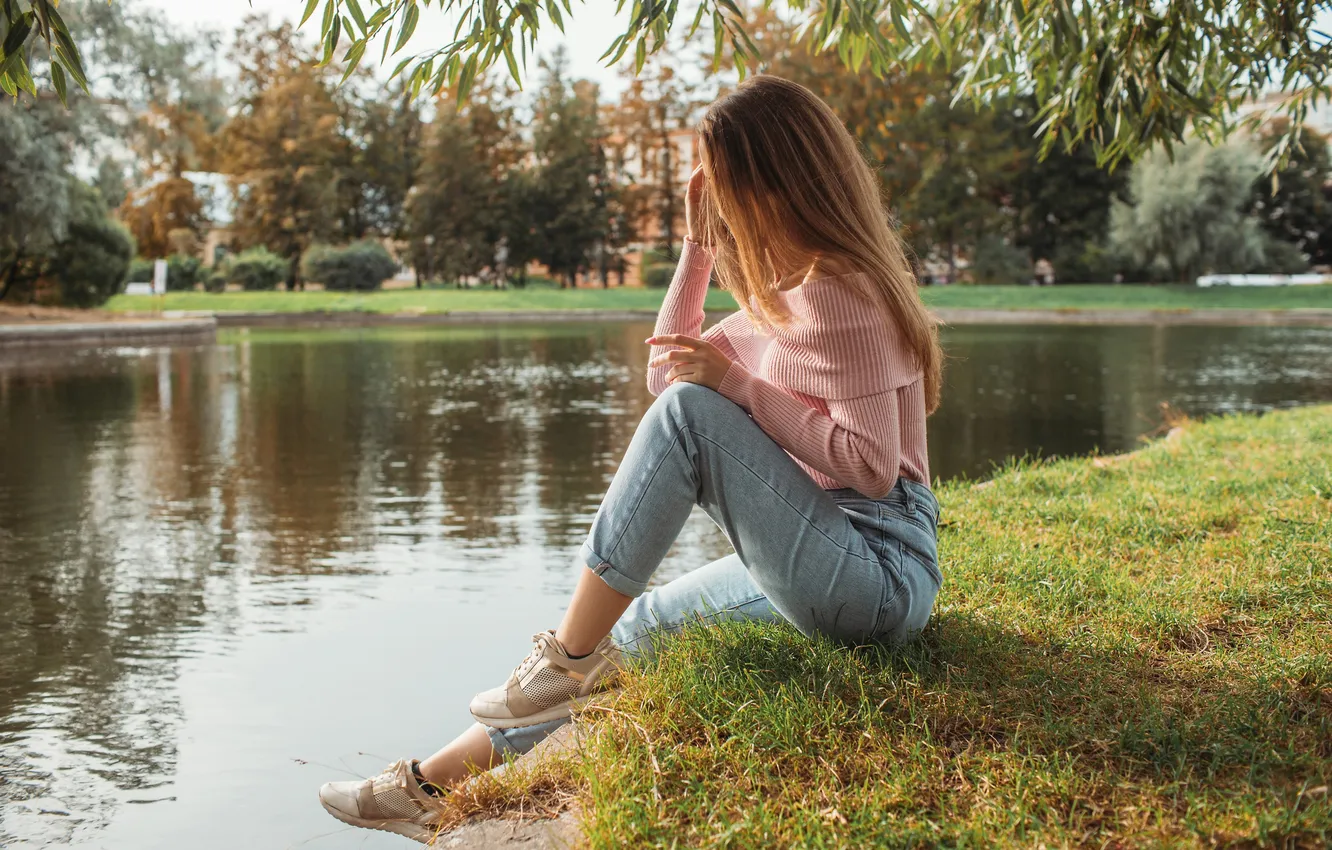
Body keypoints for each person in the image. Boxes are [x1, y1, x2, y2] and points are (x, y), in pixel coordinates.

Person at [317, 75, 945, 843]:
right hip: (829, 551)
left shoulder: (844, 294)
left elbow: (872, 469)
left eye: (726, 187)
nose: (720, 202)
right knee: (638, 631)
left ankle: (565, 656)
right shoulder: (786, 298)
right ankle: (428, 789)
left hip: (878, 568)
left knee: (691, 416)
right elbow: (663, 374)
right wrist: (696, 250)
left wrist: (742, 387)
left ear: (771, 183)